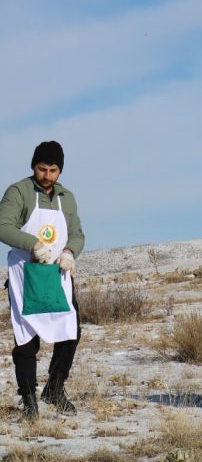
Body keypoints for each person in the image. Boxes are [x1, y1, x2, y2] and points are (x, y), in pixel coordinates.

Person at [0, 141, 84, 419]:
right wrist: (33, 244)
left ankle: (55, 388)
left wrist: (71, 252)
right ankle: (29, 401)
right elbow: (3, 226)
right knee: (27, 341)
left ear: (60, 170)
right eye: (42, 169)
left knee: (71, 331)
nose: (47, 176)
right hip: (26, 274)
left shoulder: (67, 198)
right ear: (33, 166)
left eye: (53, 170)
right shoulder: (19, 192)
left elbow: (77, 233)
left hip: (57, 274)